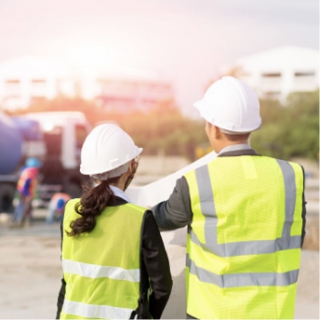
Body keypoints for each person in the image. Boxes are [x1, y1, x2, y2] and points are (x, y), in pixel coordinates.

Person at [151, 76, 306, 319]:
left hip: (213, 312)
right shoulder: (290, 175)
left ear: (213, 127)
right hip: (272, 312)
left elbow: (163, 218)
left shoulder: (195, 182)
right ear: (253, 126)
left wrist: (149, 210)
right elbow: (296, 234)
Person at [56, 124, 172, 319]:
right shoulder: (140, 219)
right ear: (130, 166)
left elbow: (67, 282)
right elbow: (162, 286)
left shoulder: (70, 211)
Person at [11, 157, 41, 227]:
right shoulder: (30, 172)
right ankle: (19, 221)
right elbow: (26, 185)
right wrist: (28, 194)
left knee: (24, 207)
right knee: (24, 207)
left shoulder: (26, 171)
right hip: (24, 192)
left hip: (23, 191)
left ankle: (21, 221)